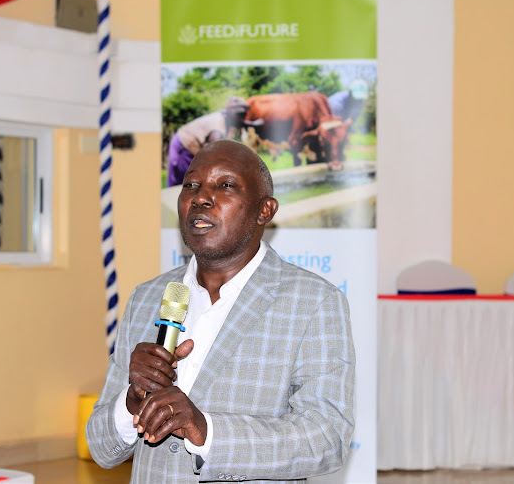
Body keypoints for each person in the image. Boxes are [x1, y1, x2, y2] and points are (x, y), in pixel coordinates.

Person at [86, 140, 355, 482]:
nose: (200, 197)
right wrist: (133, 400)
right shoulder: (147, 297)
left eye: (225, 185)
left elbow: (326, 439)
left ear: (265, 211)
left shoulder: (314, 301)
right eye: (191, 185)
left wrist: (205, 431)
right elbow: (99, 446)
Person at [166, 96, 249, 187]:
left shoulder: (228, 121)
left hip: (194, 146)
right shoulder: (217, 130)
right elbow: (214, 158)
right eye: (240, 115)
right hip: (184, 145)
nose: (242, 118)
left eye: (244, 115)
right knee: (183, 184)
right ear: (231, 114)